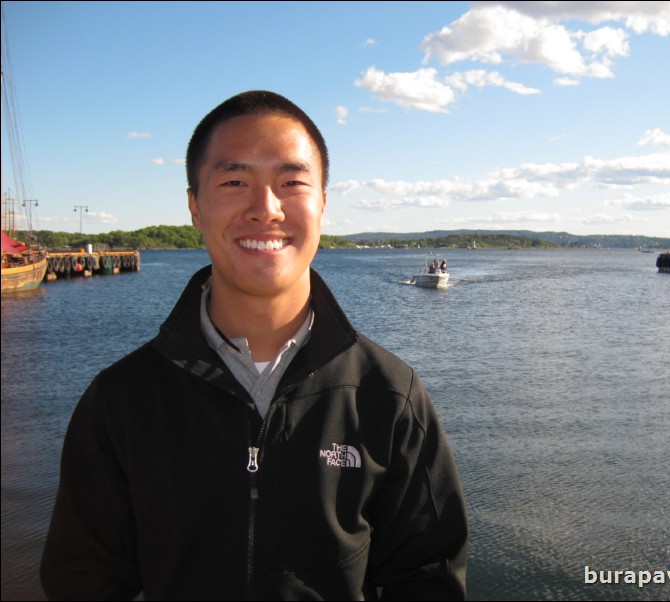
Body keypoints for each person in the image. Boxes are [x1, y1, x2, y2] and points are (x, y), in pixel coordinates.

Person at [40, 90, 468, 601]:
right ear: (195, 207)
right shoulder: (121, 402)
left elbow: (428, 577)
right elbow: (82, 581)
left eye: (291, 183)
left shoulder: (388, 396)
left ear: (323, 204)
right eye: (235, 181)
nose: (265, 209)